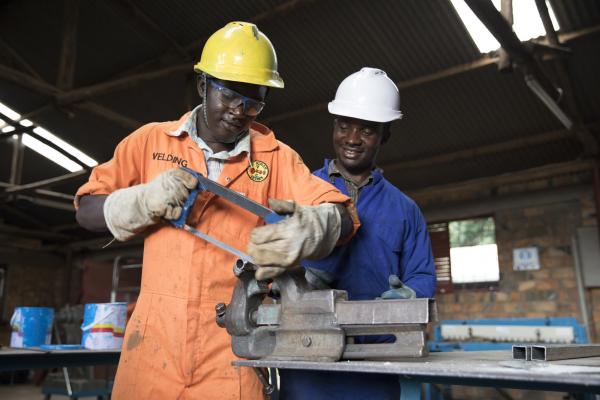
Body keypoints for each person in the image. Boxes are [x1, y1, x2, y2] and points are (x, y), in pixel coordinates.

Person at [74, 22, 358, 400]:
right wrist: (140, 201)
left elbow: (344, 216)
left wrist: (317, 225)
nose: (241, 111)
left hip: (233, 350)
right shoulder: (150, 142)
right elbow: (85, 209)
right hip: (152, 348)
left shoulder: (275, 157)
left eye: (254, 101)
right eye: (229, 95)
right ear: (203, 85)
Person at [279, 67, 437, 400]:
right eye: (344, 126)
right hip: (307, 355)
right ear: (333, 126)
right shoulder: (300, 191)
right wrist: (297, 279)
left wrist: (410, 295)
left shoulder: (405, 210)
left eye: (366, 130)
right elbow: (271, 260)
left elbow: (422, 274)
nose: (352, 138)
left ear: (385, 135)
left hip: (377, 362)